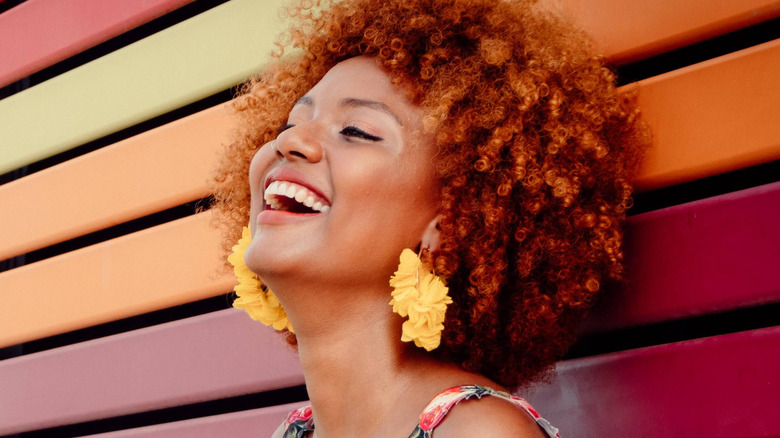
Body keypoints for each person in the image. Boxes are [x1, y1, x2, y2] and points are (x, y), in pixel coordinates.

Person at [212, 0, 647, 436]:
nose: (292, 142)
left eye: (356, 131)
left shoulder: (479, 433)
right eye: (290, 123)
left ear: (451, 226)